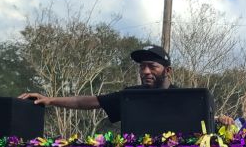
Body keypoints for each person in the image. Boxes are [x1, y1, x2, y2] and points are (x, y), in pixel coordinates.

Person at [18, 45, 174, 123]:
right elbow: (84, 102)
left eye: (152, 66)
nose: (146, 71)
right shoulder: (131, 96)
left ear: (167, 70)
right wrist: (50, 100)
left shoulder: (186, 98)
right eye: (142, 67)